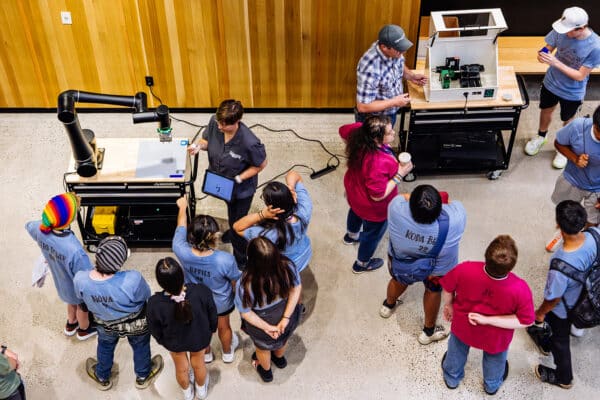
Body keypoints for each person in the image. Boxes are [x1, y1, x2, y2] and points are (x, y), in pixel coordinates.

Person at [439, 235, 535, 395]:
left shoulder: (465, 269)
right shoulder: (520, 288)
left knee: (456, 349)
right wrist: (488, 320)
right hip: (495, 338)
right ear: (511, 266)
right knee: (495, 360)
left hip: (463, 326)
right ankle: (491, 385)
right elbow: (525, 320)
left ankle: (452, 377)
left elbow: (448, 288)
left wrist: (449, 305)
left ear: (486, 255)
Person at [380, 185, 466, 345]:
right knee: (433, 291)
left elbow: (405, 196)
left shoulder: (396, 209)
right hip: (436, 269)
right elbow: (453, 203)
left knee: (398, 280)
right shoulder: (457, 218)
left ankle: (388, 306)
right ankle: (427, 332)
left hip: (402, 262)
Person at [74, 236, 163, 391]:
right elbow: (146, 296)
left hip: (104, 323)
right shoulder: (133, 279)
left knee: (105, 346)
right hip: (137, 323)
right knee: (141, 345)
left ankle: (102, 376)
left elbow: (81, 301)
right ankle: (142, 376)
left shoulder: (80, 279)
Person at [188, 99, 268, 268]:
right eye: (219, 122)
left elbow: (261, 164)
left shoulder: (249, 142)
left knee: (239, 224)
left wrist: (240, 178)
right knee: (230, 213)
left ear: (237, 121)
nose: (219, 127)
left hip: (241, 190)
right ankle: (231, 232)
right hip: (221, 181)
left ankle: (241, 259)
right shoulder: (214, 122)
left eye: (224, 125)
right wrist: (197, 146)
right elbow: (206, 141)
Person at [528, 201, 597, 389]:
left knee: (561, 340)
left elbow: (553, 299)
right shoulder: (595, 236)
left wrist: (540, 313)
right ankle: (546, 343)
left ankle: (564, 377)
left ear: (558, 225)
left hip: (565, 309)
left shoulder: (560, 263)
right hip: (587, 295)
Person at [523, 6, 600, 169]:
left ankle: (564, 147)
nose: (565, 33)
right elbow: (548, 47)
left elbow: (580, 75)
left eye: (569, 31)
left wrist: (555, 62)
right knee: (546, 111)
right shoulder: (561, 30)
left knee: (569, 120)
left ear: (581, 28)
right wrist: (542, 53)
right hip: (551, 83)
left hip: (573, 91)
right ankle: (541, 137)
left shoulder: (595, 46)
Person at [173, 197, 241, 365]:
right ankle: (227, 352)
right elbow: (234, 282)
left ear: (191, 236)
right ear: (215, 237)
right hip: (220, 302)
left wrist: (182, 207)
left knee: (204, 327)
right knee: (224, 327)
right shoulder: (225, 260)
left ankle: (208, 354)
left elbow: (180, 226)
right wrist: (236, 295)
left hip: (195, 300)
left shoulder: (180, 249)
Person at [342, 115, 413, 274]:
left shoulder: (358, 134)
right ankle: (362, 263)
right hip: (372, 207)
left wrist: (363, 126)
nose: (394, 133)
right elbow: (377, 195)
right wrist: (400, 174)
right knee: (372, 235)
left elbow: (342, 130)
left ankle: (351, 236)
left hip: (354, 192)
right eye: (389, 132)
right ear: (376, 138)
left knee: (355, 211)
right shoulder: (378, 162)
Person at [25, 192, 96, 340]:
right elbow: (85, 276)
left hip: (60, 282)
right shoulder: (74, 250)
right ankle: (84, 329)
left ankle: (71, 324)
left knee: (70, 301)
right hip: (76, 287)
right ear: (68, 220)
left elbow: (28, 226)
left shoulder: (39, 228)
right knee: (83, 306)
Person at [147, 258, 217, 400]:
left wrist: (162, 340)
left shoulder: (155, 304)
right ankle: (201, 390)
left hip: (174, 342)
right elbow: (212, 313)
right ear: (182, 275)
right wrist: (211, 329)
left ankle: (187, 393)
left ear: (160, 282)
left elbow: (154, 328)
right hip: (199, 337)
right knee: (199, 364)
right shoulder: (201, 291)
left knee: (181, 368)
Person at [235, 237, 302, 383]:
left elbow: (246, 313)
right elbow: (296, 288)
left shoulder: (245, 283)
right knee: (282, 338)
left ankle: (266, 372)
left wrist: (268, 328)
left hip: (261, 322)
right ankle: (280, 359)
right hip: (286, 312)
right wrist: (285, 319)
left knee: (263, 349)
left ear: (250, 259)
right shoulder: (287, 266)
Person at [233, 170, 312, 274]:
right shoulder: (304, 209)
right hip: (304, 254)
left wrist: (261, 214)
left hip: (284, 269)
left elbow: (237, 227)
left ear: (270, 206)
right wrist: (291, 187)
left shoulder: (268, 234)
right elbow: (294, 174)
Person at [545, 106, 600, 252]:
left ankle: (588, 246)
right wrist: (575, 158)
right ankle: (563, 233)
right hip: (572, 180)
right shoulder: (578, 126)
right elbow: (558, 143)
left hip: (597, 189)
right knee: (565, 214)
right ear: (594, 125)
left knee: (592, 222)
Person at [355, 24, 427, 127]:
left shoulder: (394, 51)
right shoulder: (370, 68)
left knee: (385, 141)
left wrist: (411, 76)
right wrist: (394, 102)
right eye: (399, 49)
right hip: (374, 119)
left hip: (390, 112)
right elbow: (363, 106)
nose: (403, 51)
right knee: (372, 143)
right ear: (384, 47)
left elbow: (399, 64)